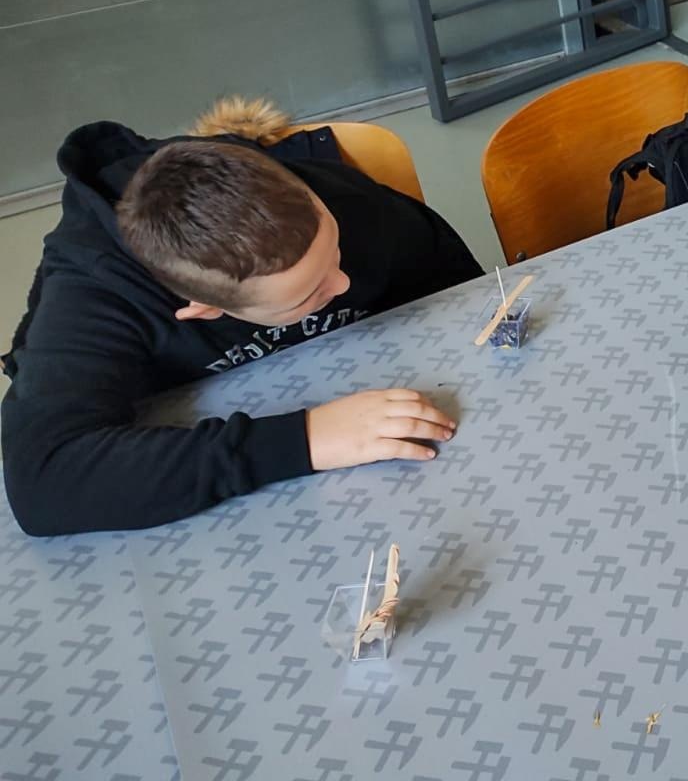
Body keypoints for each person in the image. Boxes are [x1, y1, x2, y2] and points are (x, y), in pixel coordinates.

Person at [1, 98, 481, 537]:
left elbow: (456, 287)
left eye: (334, 249)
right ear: (203, 309)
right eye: (309, 293)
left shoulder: (343, 202)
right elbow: (46, 480)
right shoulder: (92, 299)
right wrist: (305, 439)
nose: (343, 284)